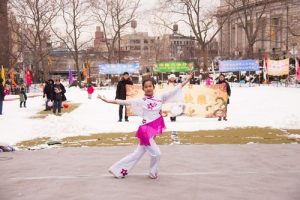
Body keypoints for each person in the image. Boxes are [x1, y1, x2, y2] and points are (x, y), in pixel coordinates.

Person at [97, 73, 192, 179]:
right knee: (157, 153)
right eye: (146, 87)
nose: (148, 88)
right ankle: (152, 172)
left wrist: (187, 80)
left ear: (153, 87)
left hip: (154, 128)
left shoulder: (160, 97)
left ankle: (116, 169)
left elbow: (176, 89)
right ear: (143, 89)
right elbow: (125, 102)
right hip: (146, 131)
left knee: (136, 154)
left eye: (150, 86)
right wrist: (108, 101)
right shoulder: (141, 101)